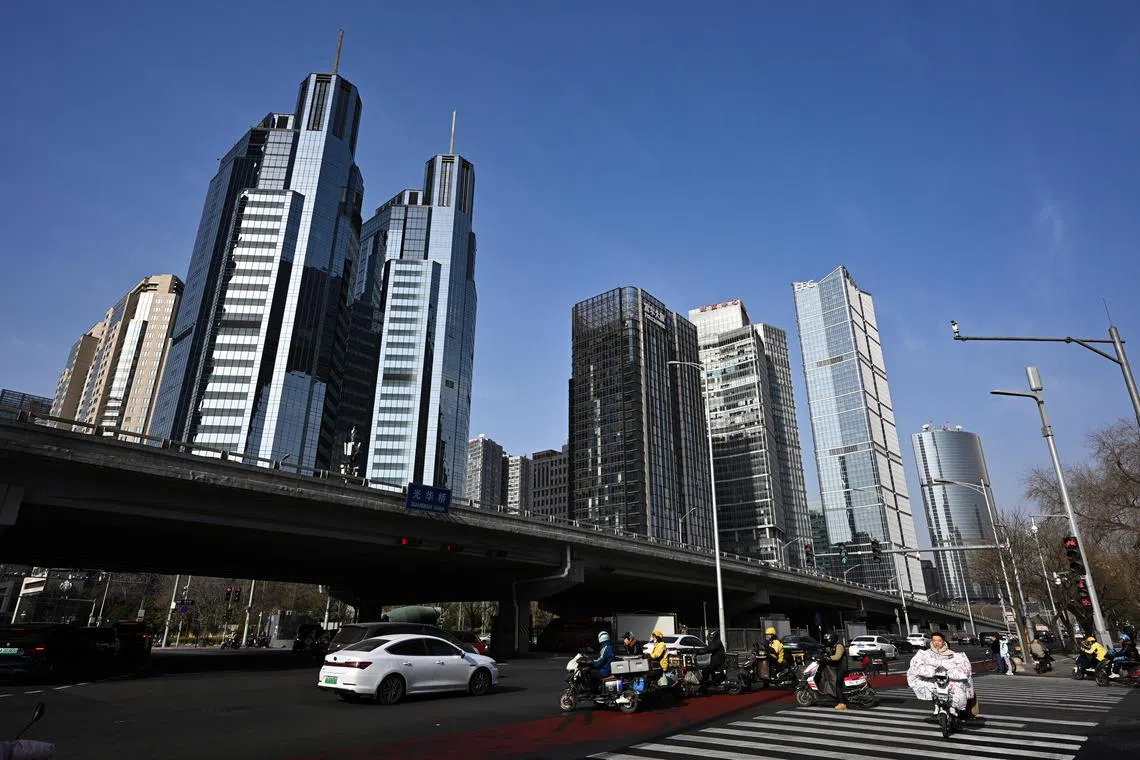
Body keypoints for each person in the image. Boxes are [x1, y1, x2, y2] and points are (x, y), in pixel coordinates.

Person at [907, 632, 974, 716]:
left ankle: (953, 707)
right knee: (931, 688)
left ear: (943, 641)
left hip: (948, 678)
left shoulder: (951, 653)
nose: (936, 643)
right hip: (934, 678)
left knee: (958, 687)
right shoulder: (926, 653)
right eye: (934, 640)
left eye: (939, 641)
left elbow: (958, 663)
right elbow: (919, 663)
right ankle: (936, 704)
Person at [819, 633, 848, 710]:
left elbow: (837, 657)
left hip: (842, 668)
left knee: (837, 684)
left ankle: (842, 703)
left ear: (833, 639)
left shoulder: (839, 646)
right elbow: (826, 651)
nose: (828, 641)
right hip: (837, 667)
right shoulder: (833, 646)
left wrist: (828, 658)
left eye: (829, 640)